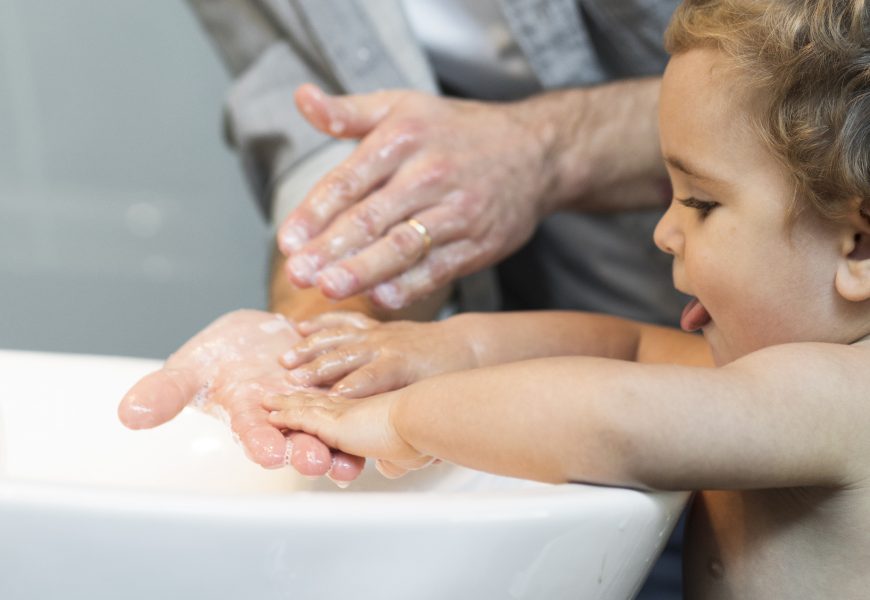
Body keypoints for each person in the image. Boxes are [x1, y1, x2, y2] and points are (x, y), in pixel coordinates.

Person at [263, 0, 870, 596]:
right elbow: (623, 346)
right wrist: (448, 347)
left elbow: (614, 419)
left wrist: (400, 419)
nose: (664, 232)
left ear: (857, 246)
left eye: (702, 204)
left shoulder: (844, 397)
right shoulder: (756, 375)